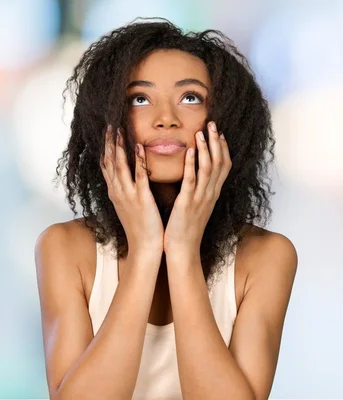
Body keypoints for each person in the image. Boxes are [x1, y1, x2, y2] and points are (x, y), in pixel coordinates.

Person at [34, 18, 298, 400]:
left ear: (227, 122)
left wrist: (182, 251)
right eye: (139, 99)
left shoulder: (267, 256)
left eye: (190, 98)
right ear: (106, 124)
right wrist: (144, 251)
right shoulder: (63, 247)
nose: (166, 118)